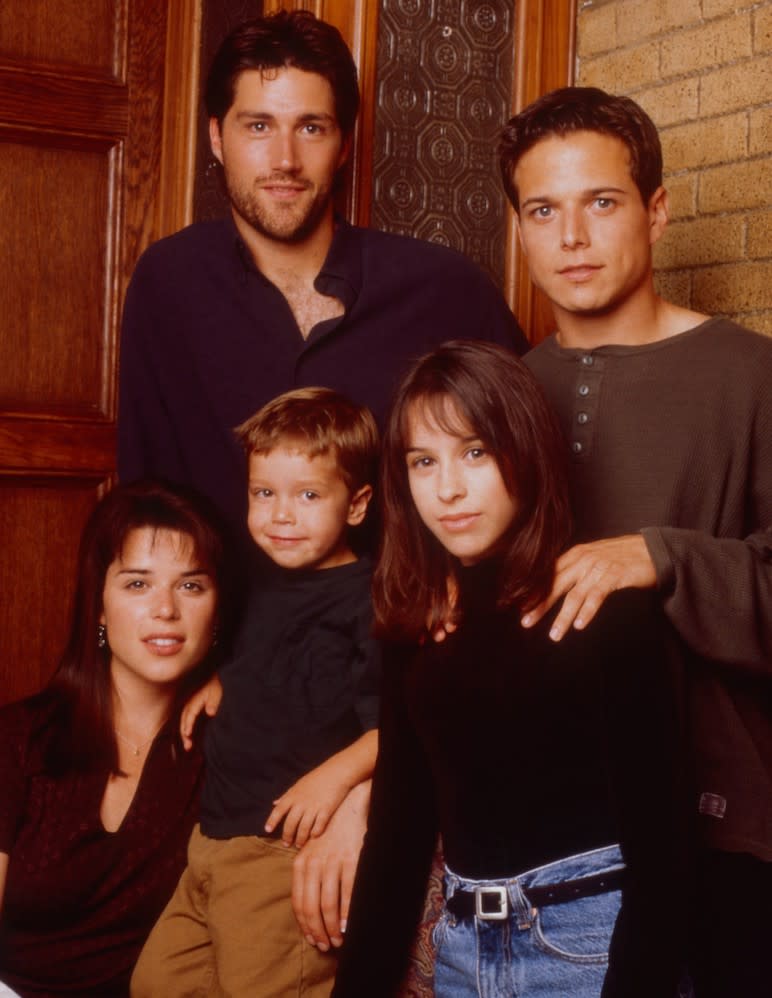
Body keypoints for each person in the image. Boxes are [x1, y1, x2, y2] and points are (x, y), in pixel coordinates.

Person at [498, 86, 772, 997]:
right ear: (521, 229)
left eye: (601, 202)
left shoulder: (752, 375)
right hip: (543, 837)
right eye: (544, 210)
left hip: (723, 827)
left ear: (656, 211)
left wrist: (664, 556)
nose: (572, 237)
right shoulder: (499, 396)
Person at [332, 341, 684, 998]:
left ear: (524, 451)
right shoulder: (420, 624)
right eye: (423, 461)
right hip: (464, 952)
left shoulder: (603, 607)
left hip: (588, 946)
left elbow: (664, 846)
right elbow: (398, 835)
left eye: (475, 452)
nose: (448, 488)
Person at [117, 9, 528, 541]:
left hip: (400, 622)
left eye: (311, 127)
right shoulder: (168, 283)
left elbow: (532, 462)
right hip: (224, 619)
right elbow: (145, 496)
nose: (285, 159)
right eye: (259, 126)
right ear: (217, 138)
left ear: (344, 146)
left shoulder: (446, 289)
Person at [132, 388, 381, 997]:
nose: (281, 515)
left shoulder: (369, 600)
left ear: (357, 505)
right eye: (264, 493)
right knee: (156, 983)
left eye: (308, 495)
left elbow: (404, 721)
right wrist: (224, 679)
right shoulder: (255, 579)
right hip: (212, 840)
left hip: (284, 854)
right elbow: (271, 661)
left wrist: (338, 776)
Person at [0, 480, 234, 997]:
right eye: (137, 584)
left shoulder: (234, 749)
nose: (166, 610)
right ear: (99, 607)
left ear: (217, 610)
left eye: (191, 585)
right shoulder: (18, 739)